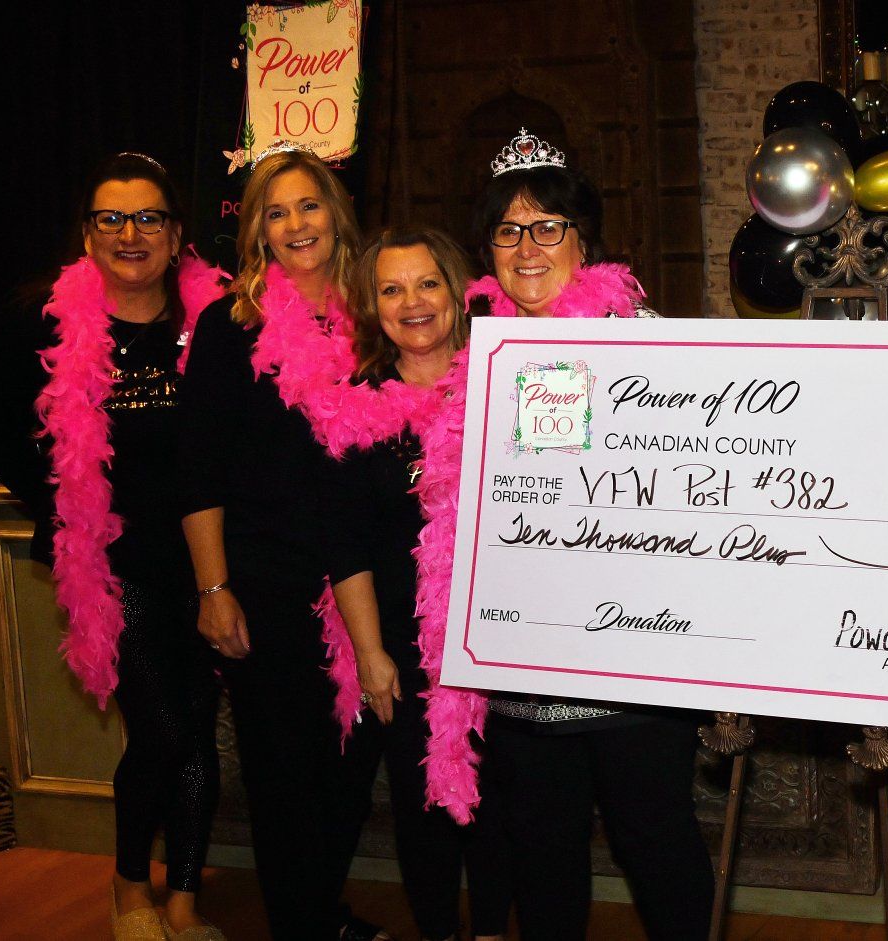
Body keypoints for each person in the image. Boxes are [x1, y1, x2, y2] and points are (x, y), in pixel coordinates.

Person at [411, 129, 711, 941]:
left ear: (585, 240)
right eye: (508, 231)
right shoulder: (482, 354)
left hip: (633, 668)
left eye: (548, 226)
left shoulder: (646, 338)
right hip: (524, 668)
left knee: (658, 847)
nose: (527, 246)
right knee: (542, 861)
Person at [15, 152, 229, 941]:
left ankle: (183, 899)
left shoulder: (216, 321)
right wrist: (70, 508)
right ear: (87, 234)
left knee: (198, 730)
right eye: (112, 217)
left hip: (208, 562)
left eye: (148, 218)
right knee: (162, 729)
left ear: (177, 235)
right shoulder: (45, 321)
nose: (130, 233)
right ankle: (129, 883)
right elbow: (6, 434)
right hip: (112, 566)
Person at [177, 144, 388, 941]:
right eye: (277, 211)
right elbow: (197, 471)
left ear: (336, 215)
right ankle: (300, 923)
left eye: (309, 205)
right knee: (283, 771)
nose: (296, 224)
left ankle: (320, 908)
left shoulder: (374, 315)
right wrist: (213, 587)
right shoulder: (230, 326)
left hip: (362, 580)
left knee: (350, 764)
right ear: (258, 232)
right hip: (267, 581)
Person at [324, 226, 509, 941]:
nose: (413, 302)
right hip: (402, 640)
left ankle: (491, 930)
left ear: (456, 291)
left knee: (497, 803)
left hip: (499, 635)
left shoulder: (504, 380)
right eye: (391, 289)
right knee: (419, 804)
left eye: (427, 283)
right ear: (372, 306)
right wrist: (371, 654)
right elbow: (347, 544)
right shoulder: (353, 407)